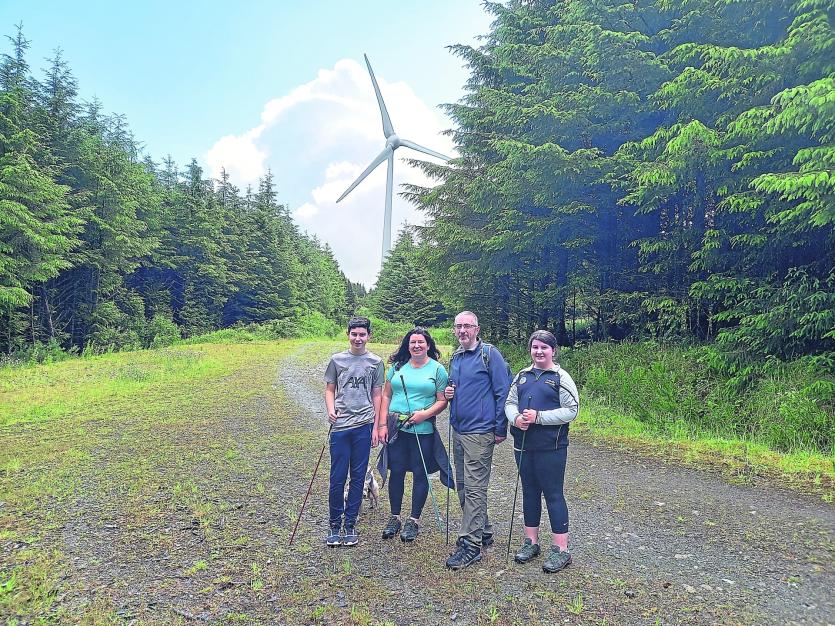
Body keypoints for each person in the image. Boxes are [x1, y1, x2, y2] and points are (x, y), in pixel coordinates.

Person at [505, 330, 579, 573]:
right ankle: (531, 542)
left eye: (544, 348)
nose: (539, 352)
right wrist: (516, 418)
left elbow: (572, 410)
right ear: (530, 350)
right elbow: (509, 403)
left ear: (553, 351)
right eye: (535, 347)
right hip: (523, 444)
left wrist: (539, 418)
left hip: (552, 446)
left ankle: (562, 549)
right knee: (529, 491)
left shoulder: (561, 377)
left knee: (553, 494)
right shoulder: (522, 376)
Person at [443, 311, 511, 570]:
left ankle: (471, 545)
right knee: (461, 485)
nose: (462, 331)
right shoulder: (457, 356)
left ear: (477, 329)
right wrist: (450, 392)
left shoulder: (489, 354)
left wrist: (499, 428)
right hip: (459, 430)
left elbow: (502, 391)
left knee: (474, 488)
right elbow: (456, 387)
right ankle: (483, 530)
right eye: (458, 326)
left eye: (467, 326)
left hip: (480, 432)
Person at [378, 327, 453, 542]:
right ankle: (395, 516)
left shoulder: (438, 370)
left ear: (428, 345)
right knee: (397, 472)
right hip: (397, 430)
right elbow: (386, 396)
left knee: (421, 474)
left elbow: (442, 400)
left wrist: (424, 415)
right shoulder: (397, 367)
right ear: (407, 345)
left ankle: (414, 519)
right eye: (413, 342)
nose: (417, 345)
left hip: (423, 431)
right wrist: (383, 424)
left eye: (421, 342)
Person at [324, 316, 385, 547]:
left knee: (359, 477)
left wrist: (378, 426)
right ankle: (334, 523)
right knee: (337, 477)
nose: (358, 338)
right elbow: (330, 389)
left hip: (364, 426)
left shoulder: (376, 362)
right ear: (347, 335)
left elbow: (378, 394)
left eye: (362, 334)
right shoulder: (337, 360)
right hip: (340, 427)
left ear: (369, 336)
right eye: (354, 334)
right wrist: (331, 410)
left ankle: (350, 524)